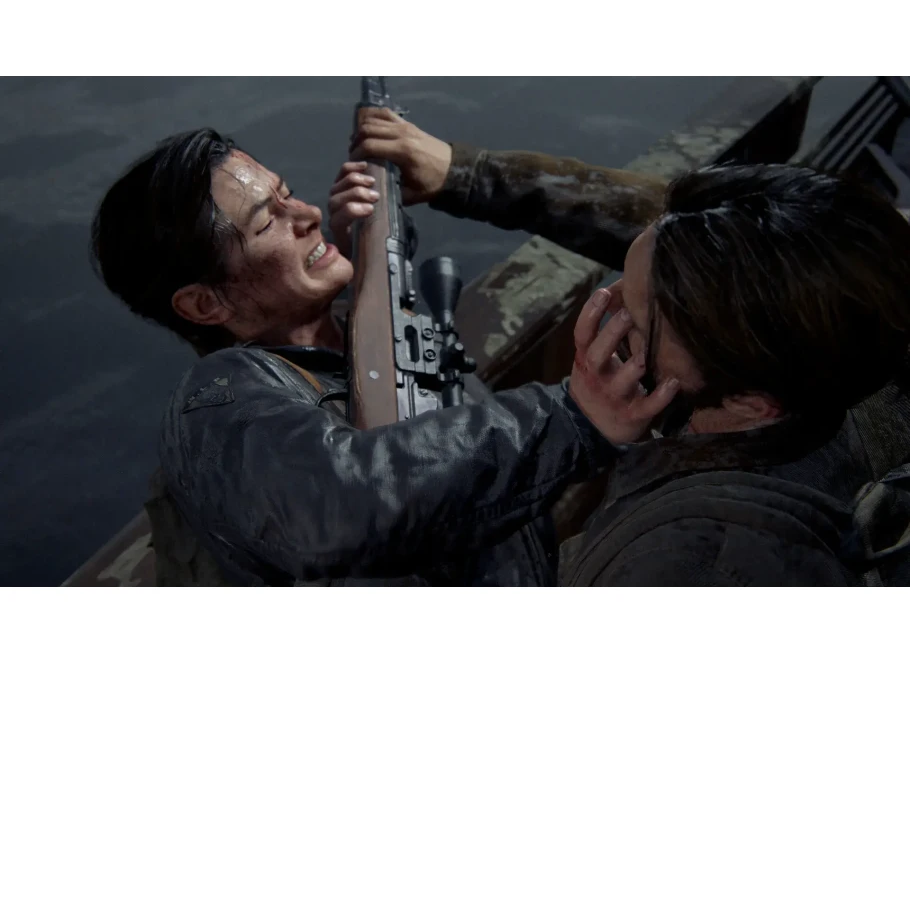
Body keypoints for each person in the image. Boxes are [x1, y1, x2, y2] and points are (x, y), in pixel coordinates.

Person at [335, 109, 910, 586]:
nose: (605, 310)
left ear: (751, 401)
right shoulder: (829, 347)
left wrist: (571, 424)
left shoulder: (690, 565)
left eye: (637, 318)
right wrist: (469, 174)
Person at [91, 129, 676, 587]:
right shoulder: (214, 401)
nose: (307, 216)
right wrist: (571, 418)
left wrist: (371, 265)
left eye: (287, 193)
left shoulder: (348, 333)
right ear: (203, 304)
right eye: (269, 221)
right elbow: (337, 505)